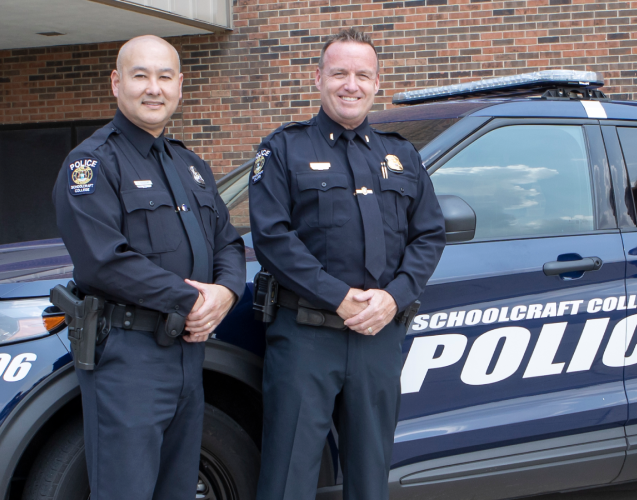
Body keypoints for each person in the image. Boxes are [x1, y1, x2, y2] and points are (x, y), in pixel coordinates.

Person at [249, 28, 446, 500]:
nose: (350, 84)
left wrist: (393, 297)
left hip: (379, 335)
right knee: (287, 474)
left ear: (376, 83)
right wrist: (338, 296)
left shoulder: (402, 155)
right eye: (339, 73)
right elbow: (272, 239)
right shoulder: (283, 150)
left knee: (370, 475)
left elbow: (430, 234)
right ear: (318, 78)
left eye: (362, 75)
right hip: (305, 336)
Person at [51, 35, 246, 499]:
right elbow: (103, 262)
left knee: (177, 489)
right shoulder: (93, 163)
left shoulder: (190, 165)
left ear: (180, 85)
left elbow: (229, 243)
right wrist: (194, 299)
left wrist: (227, 293)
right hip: (127, 359)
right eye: (140, 76)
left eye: (164, 77)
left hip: (187, 355)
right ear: (117, 84)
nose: (153, 88)